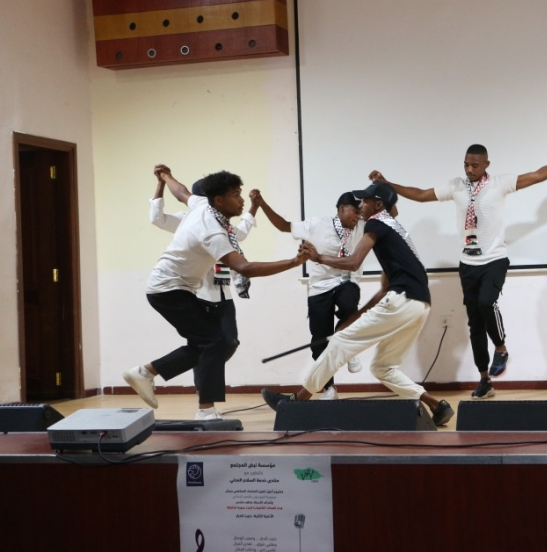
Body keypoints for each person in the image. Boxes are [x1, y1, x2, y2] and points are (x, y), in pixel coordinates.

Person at [368, 140, 547, 400]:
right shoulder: (456, 186)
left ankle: (501, 348)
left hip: (494, 260)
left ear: (486, 165)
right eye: (466, 164)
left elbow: (538, 175)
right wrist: (387, 183)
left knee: (486, 302)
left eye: (475, 165)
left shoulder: (499, 184)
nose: (469, 169)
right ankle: (485, 380)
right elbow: (422, 194)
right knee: (475, 325)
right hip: (468, 264)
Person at [260, 182, 454, 427]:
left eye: (365, 200)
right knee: (383, 367)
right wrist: (355, 318)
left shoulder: (375, 223)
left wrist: (318, 257)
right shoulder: (393, 231)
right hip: (420, 305)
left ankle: (297, 401)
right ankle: (437, 405)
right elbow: (383, 290)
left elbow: (353, 263)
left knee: (338, 343)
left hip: (402, 299)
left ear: (378, 204)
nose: (361, 205)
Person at [123, 167, 308, 420]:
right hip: (168, 289)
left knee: (217, 343)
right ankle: (165, 384)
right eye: (236, 195)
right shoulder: (211, 230)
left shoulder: (204, 206)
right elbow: (245, 268)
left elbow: (181, 192)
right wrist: (293, 262)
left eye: (240, 193)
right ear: (219, 200)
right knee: (213, 343)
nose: (241, 200)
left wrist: (165, 177)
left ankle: (149, 375)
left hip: (180, 288)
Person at [252, 190, 366, 399]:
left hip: (347, 281)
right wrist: (261, 204)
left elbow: (391, 212)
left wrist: (382, 185)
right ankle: (329, 388)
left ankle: (349, 349)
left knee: (349, 304)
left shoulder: (362, 225)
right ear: (341, 209)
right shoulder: (316, 225)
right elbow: (284, 225)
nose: (358, 216)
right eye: (355, 212)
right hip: (320, 286)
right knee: (319, 341)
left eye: (360, 213)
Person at [149, 164, 259, 357]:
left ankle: (208, 373)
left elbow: (240, 233)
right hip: (200, 292)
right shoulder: (190, 219)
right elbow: (157, 218)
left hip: (222, 291)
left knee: (228, 343)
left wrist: (254, 207)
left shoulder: (223, 224)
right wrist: (161, 183)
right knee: (207, 344)